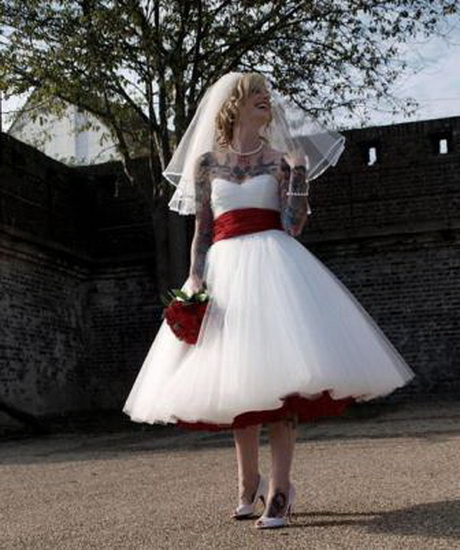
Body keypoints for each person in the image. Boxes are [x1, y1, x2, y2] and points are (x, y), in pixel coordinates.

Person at [123, 72, 415, 529]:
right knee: (237, 380)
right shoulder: (207, 165)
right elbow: (201, 229)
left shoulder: (280, 161)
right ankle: (248, 484)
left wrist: (299, 174)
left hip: (276, 269)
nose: (266, 100)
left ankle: (280, 491)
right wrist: (195, 278)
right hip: (225, 273)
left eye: (268, 96)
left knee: (281, 384)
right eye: (256, 93)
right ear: (234, 103)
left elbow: (294, 224)